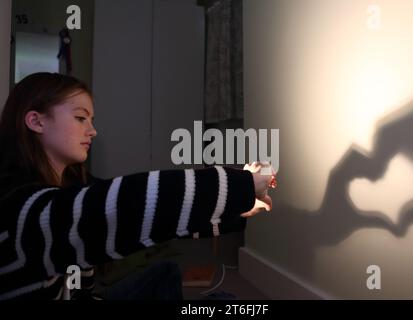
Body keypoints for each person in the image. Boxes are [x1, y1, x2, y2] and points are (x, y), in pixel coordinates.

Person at [0, 73, 275, 300]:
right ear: (36, 121)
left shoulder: (71, 184)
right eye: (80, 118)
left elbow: (155, 214)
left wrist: (235, 206)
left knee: (165, 273)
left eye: (91, 120)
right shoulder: (21, 207)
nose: (92, 131)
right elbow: (127, 206)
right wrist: (241, 185)